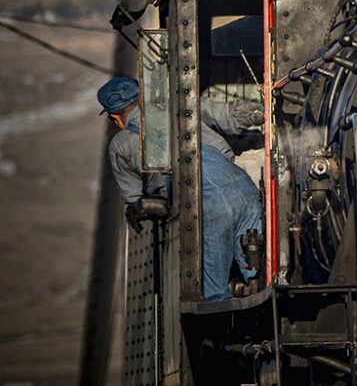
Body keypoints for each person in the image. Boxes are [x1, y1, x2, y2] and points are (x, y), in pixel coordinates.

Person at [98, 76, 265, 301]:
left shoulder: (120, 145)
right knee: (259, 277)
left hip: (205, 201)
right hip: (243, 187)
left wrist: (140, 209)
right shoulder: (182, 105)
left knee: (214, 295)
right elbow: (231, 115)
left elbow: (136, 201)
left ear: (114, 117)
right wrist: (261, 110)